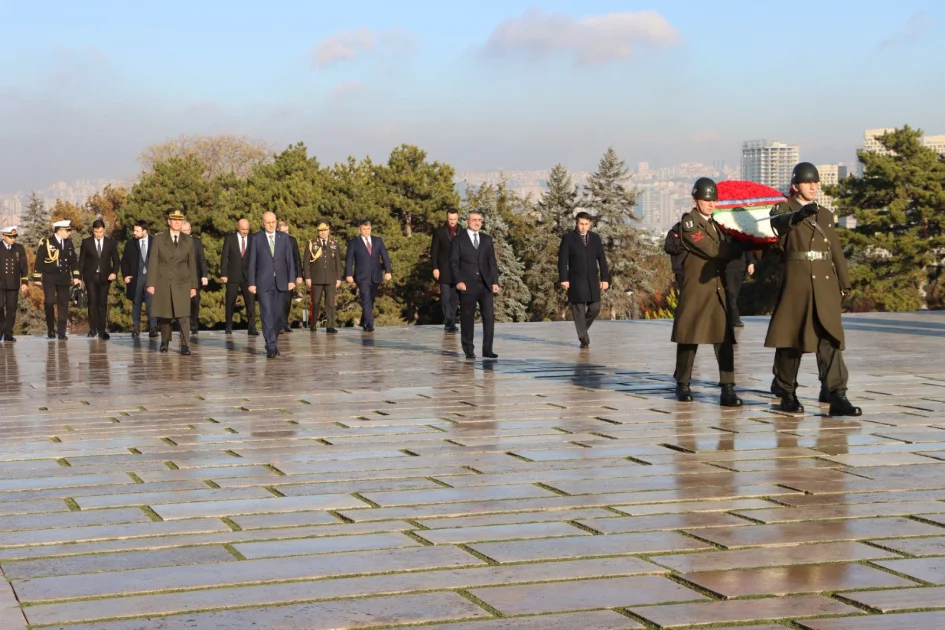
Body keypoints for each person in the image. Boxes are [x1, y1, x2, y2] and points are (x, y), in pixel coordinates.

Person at [765, 162, 861, 416]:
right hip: (797, 283)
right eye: (808, 182)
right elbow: (776, 225)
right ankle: (787, 392)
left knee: (830, 338)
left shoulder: (825, 214)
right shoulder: (783, 208)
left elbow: (835, 250)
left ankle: (837, 394)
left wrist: (844, 280)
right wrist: (796, 216)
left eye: (816, 182)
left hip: (825, 282)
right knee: (791, 339)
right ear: (795, 185)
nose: (813, 186)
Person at [671, 177, 743, 407]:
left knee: (724, 338)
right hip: (697, 288)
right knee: (689, 338)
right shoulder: (689, 224)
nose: (711, 204)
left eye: (713, 200)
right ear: (695, 200)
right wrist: (737, 246)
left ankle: (728, 387)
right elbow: (712, 250)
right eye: (706, 199)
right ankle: (683, 383)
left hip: (717, 288)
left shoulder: (716, 223)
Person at [146, 209, 197, 355]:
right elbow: (153, 262)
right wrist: (151, 283)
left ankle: (185, 345)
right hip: (164, 280)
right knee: (165, 315)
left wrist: (193, 286)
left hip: (182, 281)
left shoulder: (188, 240)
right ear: (169, 221)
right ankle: (165, 341)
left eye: (180, 220)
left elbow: (192, 264)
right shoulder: (159, 239)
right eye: (174, 220)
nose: (177, 223)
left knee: (184, 315)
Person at [450, 209, 499, 360]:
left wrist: (495, 281)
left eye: (479, 220)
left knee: (489, 318)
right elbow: (454, 262)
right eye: (474, 220)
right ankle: (469, 349)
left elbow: (492, 262)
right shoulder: (458, 240)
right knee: (467, 318)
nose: (477, 223)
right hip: (467, 285)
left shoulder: (487, 239)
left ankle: (487, 349)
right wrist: (458, 281)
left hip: (485, 285)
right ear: (467, 222)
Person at [558, 211, 611, 348]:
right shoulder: (568, 238)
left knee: (595, 307)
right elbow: (562, 261)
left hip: (592, 279)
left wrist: (605, 278)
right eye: (581, 224)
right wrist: (564, 278)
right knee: (579, 310)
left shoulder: (595, 238)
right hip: (576, 279)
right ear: (577, 223)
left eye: (586, 224)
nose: (583, 227)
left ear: (590, 224)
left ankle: (582, 331)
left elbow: (602, 260)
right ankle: (584, 338)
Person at [248, 212, 296, 358]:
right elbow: (252, 263)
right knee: (267, 314)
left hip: (281, 282)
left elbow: (290, 260)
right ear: (263, 223)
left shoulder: (284, 238)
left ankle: (273, 341)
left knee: (278, 316)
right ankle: (270, 345)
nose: (271, 224)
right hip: (263, 283)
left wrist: (292, 280)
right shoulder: (256, 238)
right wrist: (251, 282)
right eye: (268, 222)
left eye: (273, 222)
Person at [33, 219, 80, 339]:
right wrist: (37, 277)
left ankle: (61, 332)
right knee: (49, 302)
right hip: (50, 277)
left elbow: (73, 261)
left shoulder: (69, 243)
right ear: (59, 230)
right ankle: (50, 329)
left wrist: (76, 276)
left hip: (64, 278)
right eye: (67, 230)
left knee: (63, 304)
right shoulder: (47, 242)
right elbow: (39, 260)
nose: (69, 233)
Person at [344, 219, 391, 332]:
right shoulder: (354, 242)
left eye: (368, 229)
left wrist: (388, 271)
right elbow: (349, 259)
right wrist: (348, 274)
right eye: (364, 229)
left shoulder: (378, 240)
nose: (366, 231)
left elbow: (385, 257)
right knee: (366, 298)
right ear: (359, 229)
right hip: (362, 276)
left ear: (371, 229)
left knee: (371, 299)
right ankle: (369, 324)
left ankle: (364, 319)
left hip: (376, 275)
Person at [78, 218, 120, 340]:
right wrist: (78, 277)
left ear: (104, 230)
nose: (98, 234)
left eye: (100, 231)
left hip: (105, 277)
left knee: (102, 303)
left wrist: (114, 273)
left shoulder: (110, 243)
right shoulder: (86, 243)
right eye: (96, 231)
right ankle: (92, 329)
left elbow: (116, 260)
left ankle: (102, 329)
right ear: (93, 230)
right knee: (92, 302)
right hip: (90, 277)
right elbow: (81, 261)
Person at [220, 219, 259, 336]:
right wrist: (224, 274)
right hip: (233, 275)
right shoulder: (230, 239)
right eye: (243, 229)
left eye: (247, 229)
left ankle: (252, 327)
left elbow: (257, 257)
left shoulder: (253, 239)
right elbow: (224, 257)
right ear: (238, 227)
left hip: (248, 276)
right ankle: (228, 326)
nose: (245, 231)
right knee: (230, 301)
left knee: (250, 303)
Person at [303, 221, 342, 333]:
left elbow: (338, 262)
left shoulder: (334, 244)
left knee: (330, 303)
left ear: (329, 230)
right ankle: (313, 324)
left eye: (325, 230)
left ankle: (330, 325)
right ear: (318, 231)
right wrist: (307, 277)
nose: (323, 233)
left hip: (330, 278)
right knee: (315, 302)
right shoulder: (311, 243)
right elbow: (306, 262)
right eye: (321, 231)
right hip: (316, 278)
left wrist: (338, 277)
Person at [121, 220, 158, 338]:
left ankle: (153, 328)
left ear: (145, 231)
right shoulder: (130, 244)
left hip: (151, 278)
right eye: (134, 230)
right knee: (136, 304)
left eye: (137, 230)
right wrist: (125, 275)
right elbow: (124, 261)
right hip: (136, 278)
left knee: (151, 304)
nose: (134, 233)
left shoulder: (155, 242)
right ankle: (136, 328)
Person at [431, 209, 461, 332]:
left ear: (457, 218)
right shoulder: (439, 232)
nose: (452, 221)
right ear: (447, 218)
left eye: (454, 219)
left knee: (455, 299)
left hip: (458, 270)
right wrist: (435, 267)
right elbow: (433, 252)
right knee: (445, 298)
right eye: (450, 219)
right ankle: (448, 322)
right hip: (443, 269)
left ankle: (451, 320)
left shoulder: (463, 231)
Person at [0, 226, 29, 342]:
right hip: (0, 283)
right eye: (10, 237)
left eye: (14, 237)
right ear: (4, 236)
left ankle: (8, 333)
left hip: (13, 282)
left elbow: (24, 266)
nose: (13, 239)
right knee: (0, 306)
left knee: (11, 308)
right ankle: (1, 328)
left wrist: (25, 282)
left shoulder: (19, 248)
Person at [180, 221, 208, 336]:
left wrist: (204, 276)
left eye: (188, 230)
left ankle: (194, 325)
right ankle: (182, 327)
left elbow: (202, 260)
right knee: (182, 303)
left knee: (195, 302)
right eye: (184, 231)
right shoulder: (176, 243)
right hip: (180, 278)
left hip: (194, 278)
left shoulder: (197, 242)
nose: (186, 232)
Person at [278, 221, 303, 333]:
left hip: (289, 275)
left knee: (287, 301)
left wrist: (299, 275)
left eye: (287, 231)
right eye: (284, 231)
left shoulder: (292, 240)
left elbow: (297, 258)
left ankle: (285, 323)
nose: (286, 233)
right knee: (278, 301)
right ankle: (278, 324)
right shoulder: (275, 240)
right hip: (277, 275)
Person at [724, 251, 757, 327]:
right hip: (727, 266)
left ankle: (729, 318)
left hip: (740, 266)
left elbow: (747, 247)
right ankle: (735, 319)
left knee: (734, 295)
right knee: (731, 293)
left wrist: (751, 263)